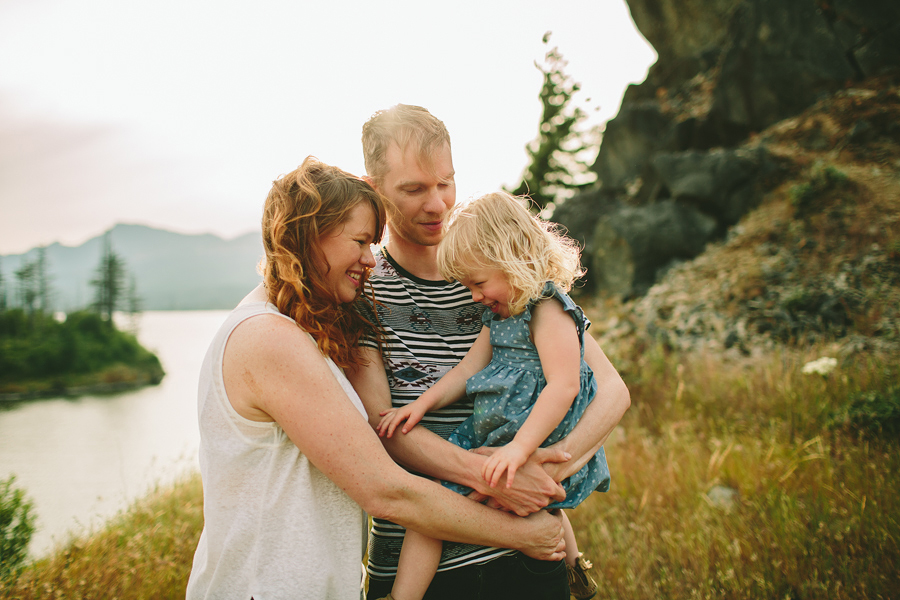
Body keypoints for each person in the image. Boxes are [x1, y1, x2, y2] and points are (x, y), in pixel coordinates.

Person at [184, 156, 568, 600]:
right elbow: (388, 492)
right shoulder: (269, 339)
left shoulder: (301, 330)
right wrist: (523, 534)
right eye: (361, 241)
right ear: (312, 236)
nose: (370, 259)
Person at [348, 104, 630, 600]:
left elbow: (609, 390)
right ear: (374, 189)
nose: (437, 204)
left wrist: (545, 470)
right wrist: (492, 475)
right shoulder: (363, 289)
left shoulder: (501, 274)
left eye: (446, 182)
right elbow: (384, 428)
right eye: (414, 189)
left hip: (520, 556)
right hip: (417, 567)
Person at [375, 191, 611, 600]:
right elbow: (466, 370)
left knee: (431, 514)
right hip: (497, 435)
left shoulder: (549, 309)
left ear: (512, 258)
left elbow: (565, 384)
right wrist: (421, 404)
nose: (474, 296)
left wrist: (519, 450)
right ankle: (577, 571)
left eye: (478, 282)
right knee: (531, 506)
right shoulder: (498, 315)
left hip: (526, 437)